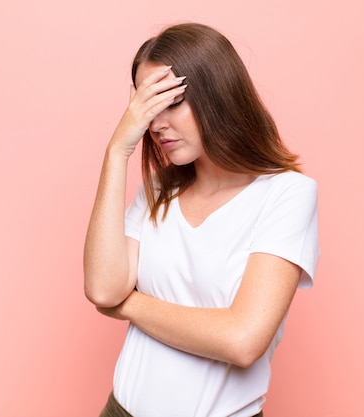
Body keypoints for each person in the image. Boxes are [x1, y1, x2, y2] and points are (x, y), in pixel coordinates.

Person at [84, 22, 319, 417]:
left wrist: (130, 306)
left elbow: (242, 340)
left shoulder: (287, 195)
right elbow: (104, 288)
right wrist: (116, 152)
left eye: (170, 101)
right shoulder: (159, 189)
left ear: (217, 93)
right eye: (147, 107)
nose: (156, 124)